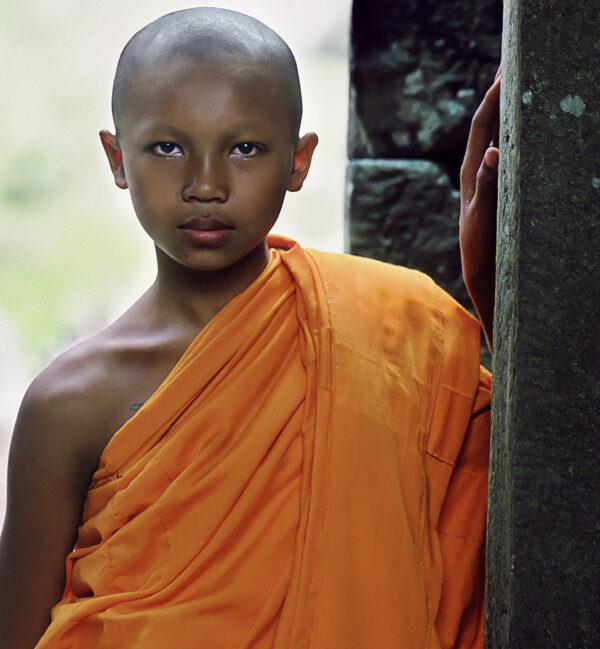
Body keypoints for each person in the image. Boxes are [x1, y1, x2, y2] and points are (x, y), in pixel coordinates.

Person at [0, 7, 500, 649]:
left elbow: (519, 495)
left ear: (299, 162)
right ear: (117, 157)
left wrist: (492, 295)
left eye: (244, 148)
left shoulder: (395, 326)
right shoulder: (68, 403)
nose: (205, 184)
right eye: (168, 147)